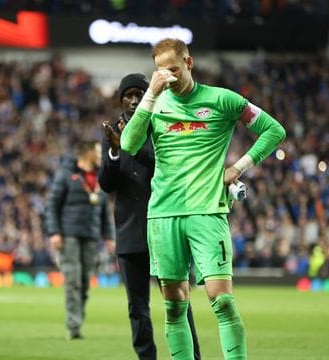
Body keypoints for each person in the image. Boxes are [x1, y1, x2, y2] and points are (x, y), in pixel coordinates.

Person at [120, 38, 286, 359]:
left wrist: (238, 167)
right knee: (174, 306)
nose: (167, 76)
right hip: (163, 215)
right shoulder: (155, 104)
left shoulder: (222, 100)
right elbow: (128, 143)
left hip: (208, 213)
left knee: (222, 301)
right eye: (160, 71)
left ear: (189, 63)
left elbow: (273, 130)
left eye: (173, 69)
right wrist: (151, 93)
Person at [98, 73, 201, 360]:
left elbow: (165, 166)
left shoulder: (164, 126)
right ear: (120, 100)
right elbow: (106, 184)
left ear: (149, 96)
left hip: (164, 228)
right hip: (130, 232)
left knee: (178, 301)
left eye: (138, 95)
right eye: (128, 95)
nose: (133, 100)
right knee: (137, 307)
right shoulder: (112, 132)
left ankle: (191, 357)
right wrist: (115, 151)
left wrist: (129, 143)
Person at [45, 140, 116, 340]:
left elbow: (104, 212)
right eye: (97, 152)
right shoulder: (66, 175)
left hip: (91, 236)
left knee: (85, 282)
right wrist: (55, 232)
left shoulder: (101, 178)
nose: (101, 155)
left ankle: (77, 320)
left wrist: (109, 236)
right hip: (69, 236)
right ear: (86, 154)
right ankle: (73, 325)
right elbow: (52, 206)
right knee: (73, 280)